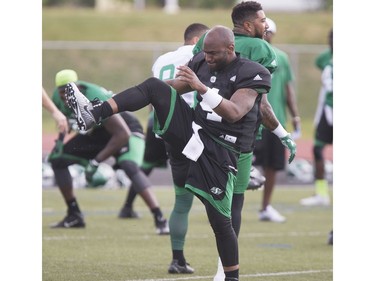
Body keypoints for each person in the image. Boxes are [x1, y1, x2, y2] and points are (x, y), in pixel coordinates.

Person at [65, 25, 296, 281]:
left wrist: (201, 88)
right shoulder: (201, 61)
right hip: (194, 132)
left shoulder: (253, 73)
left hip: (223, 150)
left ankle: (231, 277)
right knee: (155, 86)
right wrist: (130, 96)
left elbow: (234, 113)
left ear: (231, 49)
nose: (207, 58)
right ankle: (94, 113)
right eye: (205, 53)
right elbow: (173, 86)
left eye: (213, 54)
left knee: (221, 222)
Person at [192, 2, 294, 279]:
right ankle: (224, 271)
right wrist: (283, 134)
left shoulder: (208, 38)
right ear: (248, 25)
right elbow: (259, 104)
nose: (265, 25)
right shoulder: (262, 49)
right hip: (239, 138)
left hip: (201, 130)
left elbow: (194, 76)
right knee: (232, 206)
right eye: (262, 21)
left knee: (190, 200)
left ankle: (180, 256)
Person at [48, 69, 169, 235]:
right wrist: (60, 141)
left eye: (67, 92)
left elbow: (122, 134)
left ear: (78, 88)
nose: (64, 97)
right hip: (98, 133)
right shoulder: (57, 97)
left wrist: (96, 162)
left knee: (129, 165)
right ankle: (74, 214)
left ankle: (160, 218)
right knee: (57, 158)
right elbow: (65, 122)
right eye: (61, 92)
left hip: (127, 130)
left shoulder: (94, 95)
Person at [252, 18, 301, 223]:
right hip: (250, 118)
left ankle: (265, 207)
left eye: (269, 32)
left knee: (272, 166)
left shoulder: (281, 57)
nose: (266, 35)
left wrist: (295, 116)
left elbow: (288, 90)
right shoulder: (250, 55)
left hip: (274, 119)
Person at [300, 28, 333, 207]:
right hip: (328, 110)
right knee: (318, 149)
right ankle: (321, 193)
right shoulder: (325, 58)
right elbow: (319, 62)